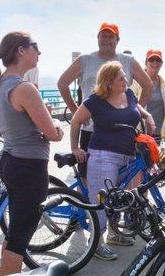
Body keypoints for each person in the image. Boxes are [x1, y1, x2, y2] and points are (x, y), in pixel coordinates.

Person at [0, 32, 64, 276]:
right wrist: (57, 126)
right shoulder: (24, 88)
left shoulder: (1, 85)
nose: (38, 52)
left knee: (15, 234)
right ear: (21, 50)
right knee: (19, 239)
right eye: (35, 47)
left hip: (12, 160)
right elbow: (52, 133)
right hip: (28, 167)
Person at [70, 61, 155, 260]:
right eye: (121, 79)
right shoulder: (95, 101)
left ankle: (115, 234)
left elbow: (138, 109)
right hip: (103, 155)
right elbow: (75, 121)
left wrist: (149, 115)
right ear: (108, 83)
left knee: (121, 198)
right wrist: (75, 147)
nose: (126, 80)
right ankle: (96, 242)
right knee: (101, 200)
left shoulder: (129, 95)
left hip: (128, 155)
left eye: (125, 77)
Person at [57, 22, 153, 184]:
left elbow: (148, 85)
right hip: (91, 130)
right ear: (97, 38)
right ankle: (87, 209)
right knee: (86, 178)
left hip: (121, 132)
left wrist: (137, 110)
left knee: (123, 179)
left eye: (111, 36)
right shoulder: (85, 60)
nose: (106, 39)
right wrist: (75, 110)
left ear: (118, 40)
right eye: (103, 35)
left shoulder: (128, 61)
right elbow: (62, 83)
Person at [131, 49, 165, 143]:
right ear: (145, 62)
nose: (155, 62)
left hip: (157, 134)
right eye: (151, 60)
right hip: (139, 132)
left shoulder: (164, 84)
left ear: (161, 63)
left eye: (158, 60)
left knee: (155, 158)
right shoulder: (136, 82)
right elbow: (131, 104)